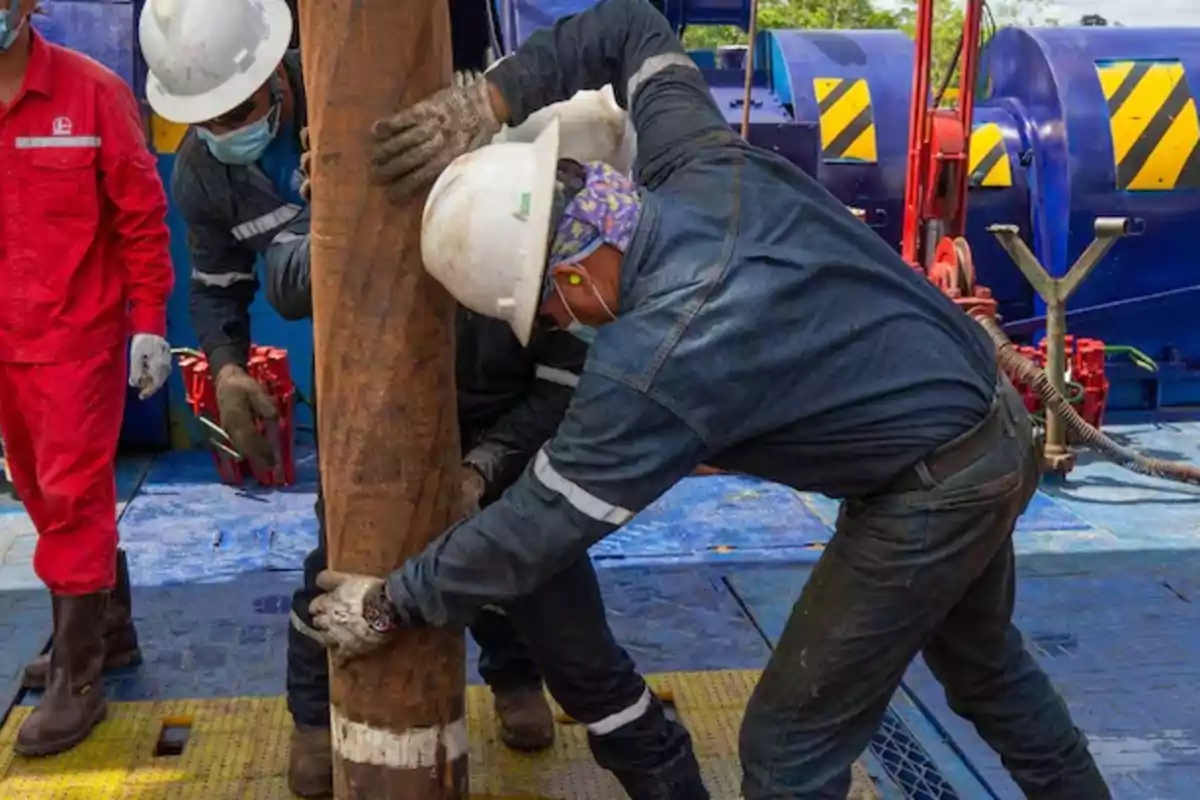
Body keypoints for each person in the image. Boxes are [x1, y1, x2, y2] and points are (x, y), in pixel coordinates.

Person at [307, 1, 1115, 798]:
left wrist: (389, 604)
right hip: (993, 424)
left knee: (788, 746)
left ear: (575, 272)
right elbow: (631, 27)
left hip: (933, 489)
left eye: (546, 310)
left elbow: (538, 527)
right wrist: (486, 101)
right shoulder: (697, 163)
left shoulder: (658, 359)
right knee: (984, 670)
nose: (554, 326)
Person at [138, 0, 677, 796]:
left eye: (241, 109)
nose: (226, 126)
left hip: (482, 376)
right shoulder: (206, 172)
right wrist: (225, 365)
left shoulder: (374, 107)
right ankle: (316, 717)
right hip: (366, 388)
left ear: (274, 75)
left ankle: (516, 677)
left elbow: (558, 399)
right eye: (207, 118)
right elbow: (238, 282)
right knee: (342, 556)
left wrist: (484, 466)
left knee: (512, 553)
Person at [0, 0, 174, 757]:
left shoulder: (93, 93)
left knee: (72, 496)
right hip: (6, 345)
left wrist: (149, 322)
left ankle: (79, 679)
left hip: (77, 343)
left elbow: (140, 216)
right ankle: (108, 627)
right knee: (39, 490)